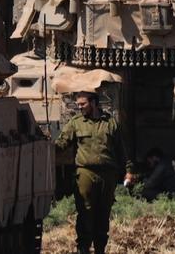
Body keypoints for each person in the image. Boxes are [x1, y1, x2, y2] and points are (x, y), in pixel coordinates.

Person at [55, 91, 134, 254]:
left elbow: (121, 150)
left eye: (83, 104)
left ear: (93, 103)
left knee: (103, 212)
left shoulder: (110, 123)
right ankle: (83, 248)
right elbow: (62, 143)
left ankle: (100, 249)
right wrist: (49, 147)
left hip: (107, 175)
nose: (79, 107)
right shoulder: (76, 123)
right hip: (85, 173)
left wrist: (128, 171)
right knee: (85, 211)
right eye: (78, 104)